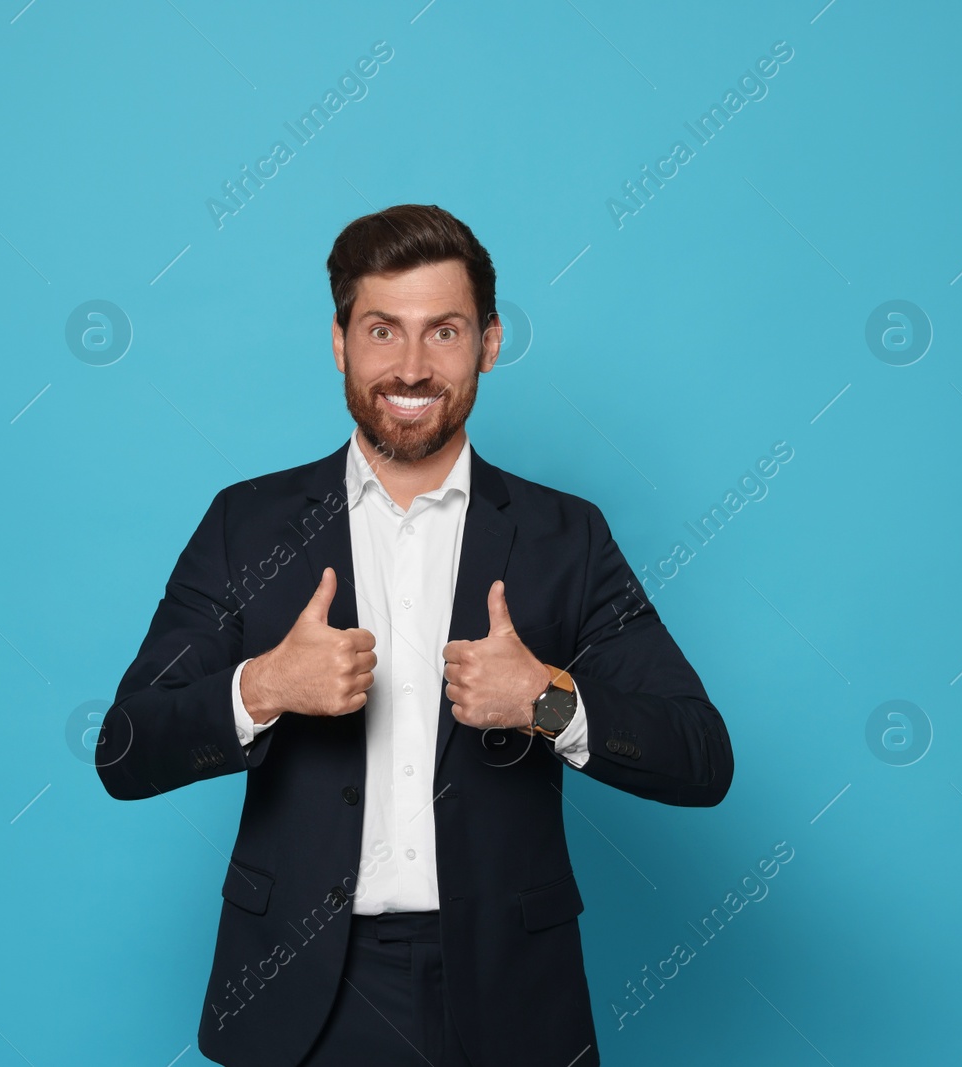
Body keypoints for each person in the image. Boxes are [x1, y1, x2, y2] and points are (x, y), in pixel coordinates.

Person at [97, 203, 732, 1067]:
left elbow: (702, 758)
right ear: (339, 341)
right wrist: (264, 687)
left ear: (490, 342)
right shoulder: (244, 525)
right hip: (300, 996)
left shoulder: (565, 536)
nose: (410, 365)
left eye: (444, 331)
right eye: (382, 330)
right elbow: (125, 750)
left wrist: (547, 702)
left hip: (510, 994)